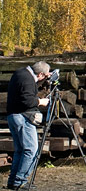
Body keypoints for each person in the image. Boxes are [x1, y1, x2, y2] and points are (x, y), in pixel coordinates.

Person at [6, 61, 51, 190]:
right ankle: (20, 181)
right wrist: (41, 101)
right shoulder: (26, 79)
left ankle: (14, 181)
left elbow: (27, 91)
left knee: (20, 150)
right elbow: (27, 100)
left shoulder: (21, 74)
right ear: (41, 74)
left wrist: (43, 79)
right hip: (22, 117)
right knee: (31, 150)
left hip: (13, 116)